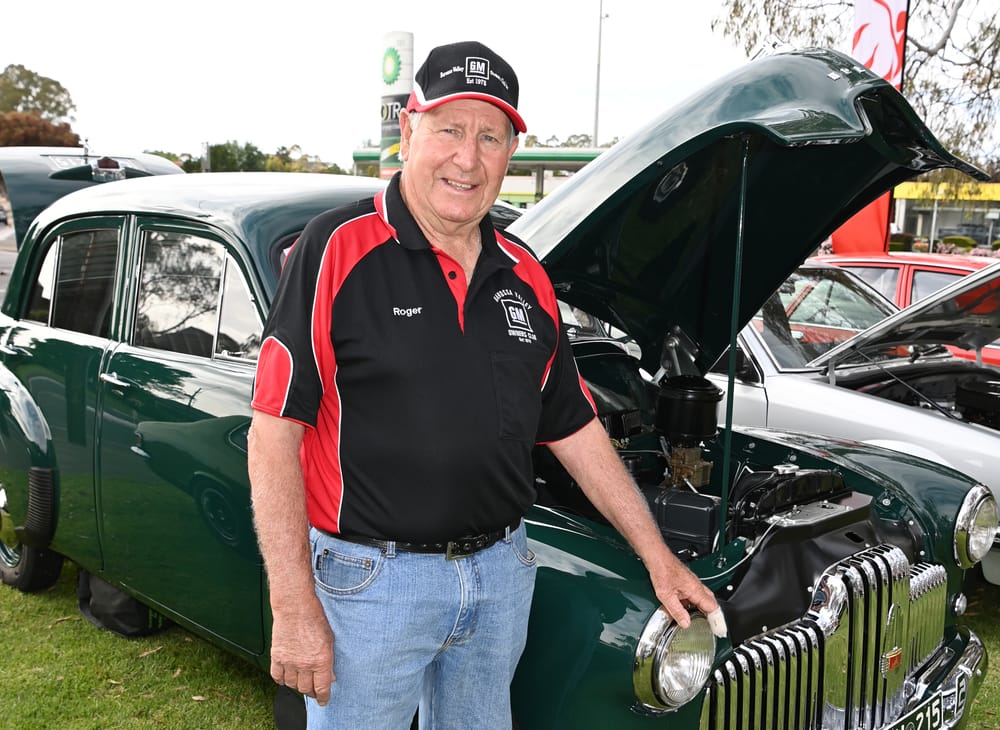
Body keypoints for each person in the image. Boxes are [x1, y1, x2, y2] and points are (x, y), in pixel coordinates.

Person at [247, 40, 720, 729]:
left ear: (509, 152)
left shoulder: (525, 272)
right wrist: (292, 608)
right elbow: (273, 435)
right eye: (450, 129)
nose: (467, 158)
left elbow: (574, 428)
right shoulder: (337, 248)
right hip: (372, 584)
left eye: (490, 136)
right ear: (409, 130)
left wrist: (659, 557)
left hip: (499, 574)